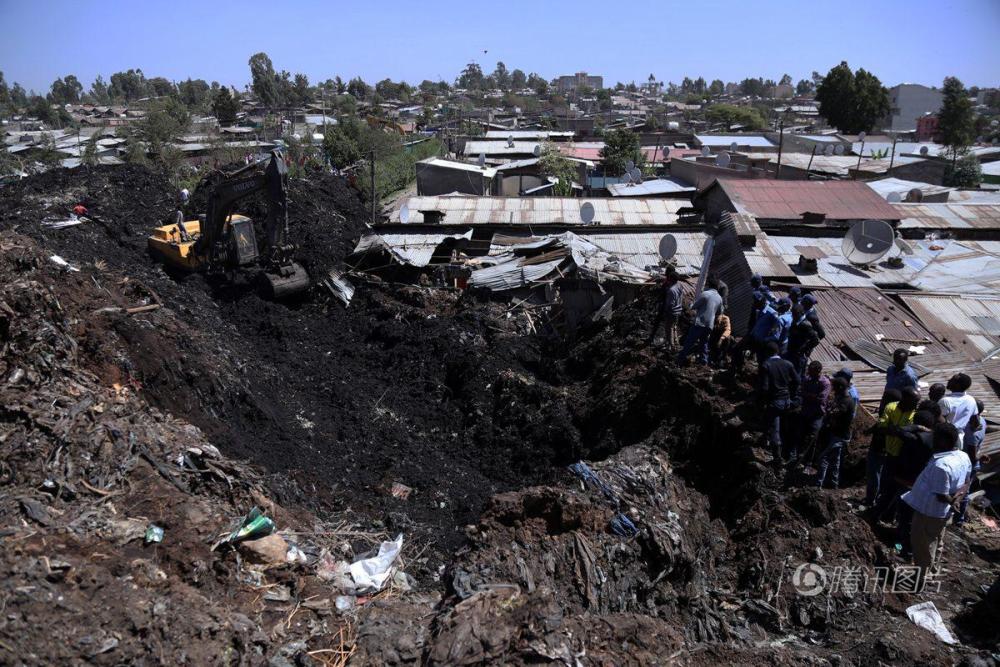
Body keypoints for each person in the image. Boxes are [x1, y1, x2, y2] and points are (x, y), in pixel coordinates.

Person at [902, 423, 971, 574]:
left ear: (943, 441)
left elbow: (941, 495)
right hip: (942, 513)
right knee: (937, 540)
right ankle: (932, 570)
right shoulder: (963, 456)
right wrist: (957, 499)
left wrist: (953, 501)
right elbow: (967, 482)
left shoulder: (942, 465)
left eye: (935, 437)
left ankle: (921, 577)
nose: (932, 440)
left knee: (922, 546)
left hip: (929, 513)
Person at [870, 387, 920, 522]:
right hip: (890, 453)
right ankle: (880, 510)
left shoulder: (916, 414)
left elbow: (913, 436)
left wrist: (894, 429)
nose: (916, 405)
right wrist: (902, 432)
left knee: (897, 488)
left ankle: (889, 514)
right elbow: (881, 428)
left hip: (904, 457)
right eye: (914, 402)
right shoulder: (891, 407)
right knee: (886, 484)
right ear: (905, 399)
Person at [893, 410, 938, 559]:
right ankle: (910, 548)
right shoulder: (936, 439)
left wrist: (916, 427)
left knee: (904, 519)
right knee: (913, 519)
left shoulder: (916, 438)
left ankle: (902, 548)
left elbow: (899, 430)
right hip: (924, 485)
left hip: (907, 481)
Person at [757, 340, 799, 465]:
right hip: (787, 401)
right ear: (778, 351)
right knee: (786, 428)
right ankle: (790, 454)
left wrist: (761, 400)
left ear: (767, 352)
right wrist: (790, 392)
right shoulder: (788, 364)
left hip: (775, 402)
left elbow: (764, 388)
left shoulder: (766, 365)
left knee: (775, 429)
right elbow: (797, 380)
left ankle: (777, 458)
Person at [864, 388, 901, 508]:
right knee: (880, 474)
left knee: (874, 474)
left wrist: (871, 431)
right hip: (888, 449)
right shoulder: (896, 412)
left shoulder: (888, 410)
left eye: (884, 397)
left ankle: (871, 500)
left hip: (879, 448)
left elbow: (881, 427)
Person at [816, 376, 855, 489]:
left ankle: (818, 484)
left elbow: (835, 413)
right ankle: (833, 483)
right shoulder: (840, 398)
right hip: (835, 433)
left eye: (835, 388)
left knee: (824, 458)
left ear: (840, 387)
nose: (833, 390)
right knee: (835, 460)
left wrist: (829, 412)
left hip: (840, 435)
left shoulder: (846, 401)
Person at [676, 275, 724, 366]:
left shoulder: (705, 294)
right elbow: (720, 312)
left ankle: (680, 360)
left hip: (699, 323)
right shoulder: (719, 298)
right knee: (704, 343)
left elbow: (695, 306)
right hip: (709, 325)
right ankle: (704, 362)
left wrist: (690, 305)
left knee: (689, 341)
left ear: (709, 285)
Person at [954, 398, 985, 526]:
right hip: (969, 462)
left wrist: (980, 457)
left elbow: (972, 456)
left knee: (963, 491)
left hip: (968, 464)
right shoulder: (981, 421)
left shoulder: (972, 431)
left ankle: (958, 520)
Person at [797, 360, 831, 466]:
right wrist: (812, 395)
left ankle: (809, 462)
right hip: (805, 411)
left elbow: (821, 399)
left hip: (817, 414)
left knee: (812, 438)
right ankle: (798, 457)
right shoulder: (807, 379)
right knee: (800, 435)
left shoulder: (825, 383)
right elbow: (801, 392)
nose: (809, 373)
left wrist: (808, 395)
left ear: (818, 370)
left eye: (811, 371)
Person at [939, 373, 977, 447]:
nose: (949, 380)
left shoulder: (945, 401)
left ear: (958, 385)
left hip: (944, 439)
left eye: (952, 379)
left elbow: (937, 419)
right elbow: (975, 423)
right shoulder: (971, 400)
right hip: (959, 440)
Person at [650, 268, 683, 349]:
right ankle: (675, 342)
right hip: (678, 310)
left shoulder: (670, 288)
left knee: (669, 328)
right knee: (674, 327)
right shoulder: (679, 285)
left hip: (670, 310)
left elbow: (669, 302)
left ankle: (671, 345)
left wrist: (665, 310)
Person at [784, 304, 819, 375]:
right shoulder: (796, 322)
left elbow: (815, 340)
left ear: (801, 313)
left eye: (795, 314)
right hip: (792, 352)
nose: (793, 316)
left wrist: (804, 349)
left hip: (799, 355)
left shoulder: (805, 325)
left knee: (797, 374)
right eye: (793, 314)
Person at [748, 293, 781, 364]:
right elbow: (757, 325)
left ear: (761, 302)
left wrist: (765, 340)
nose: (754, 304)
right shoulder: (759, 311)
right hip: (755, 340)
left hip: (763, 344)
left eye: (756, 302)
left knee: (762, 363)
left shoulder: (772, 314)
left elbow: (776, 334)